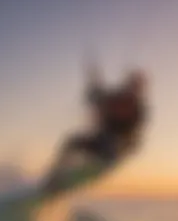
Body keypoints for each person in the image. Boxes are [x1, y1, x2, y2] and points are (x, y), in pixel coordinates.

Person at [42, 62, 148, 190]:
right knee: (71, 142)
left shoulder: (138, 109)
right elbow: (96, 98)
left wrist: (102, 102)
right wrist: (94, 91)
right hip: (101, 142)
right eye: (131, 84)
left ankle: (92, 164)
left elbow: (132, 131)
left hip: (116, 147)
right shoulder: (116, 97)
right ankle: (56, 176)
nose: (132, 88)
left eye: (136, 85)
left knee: (115, 142)